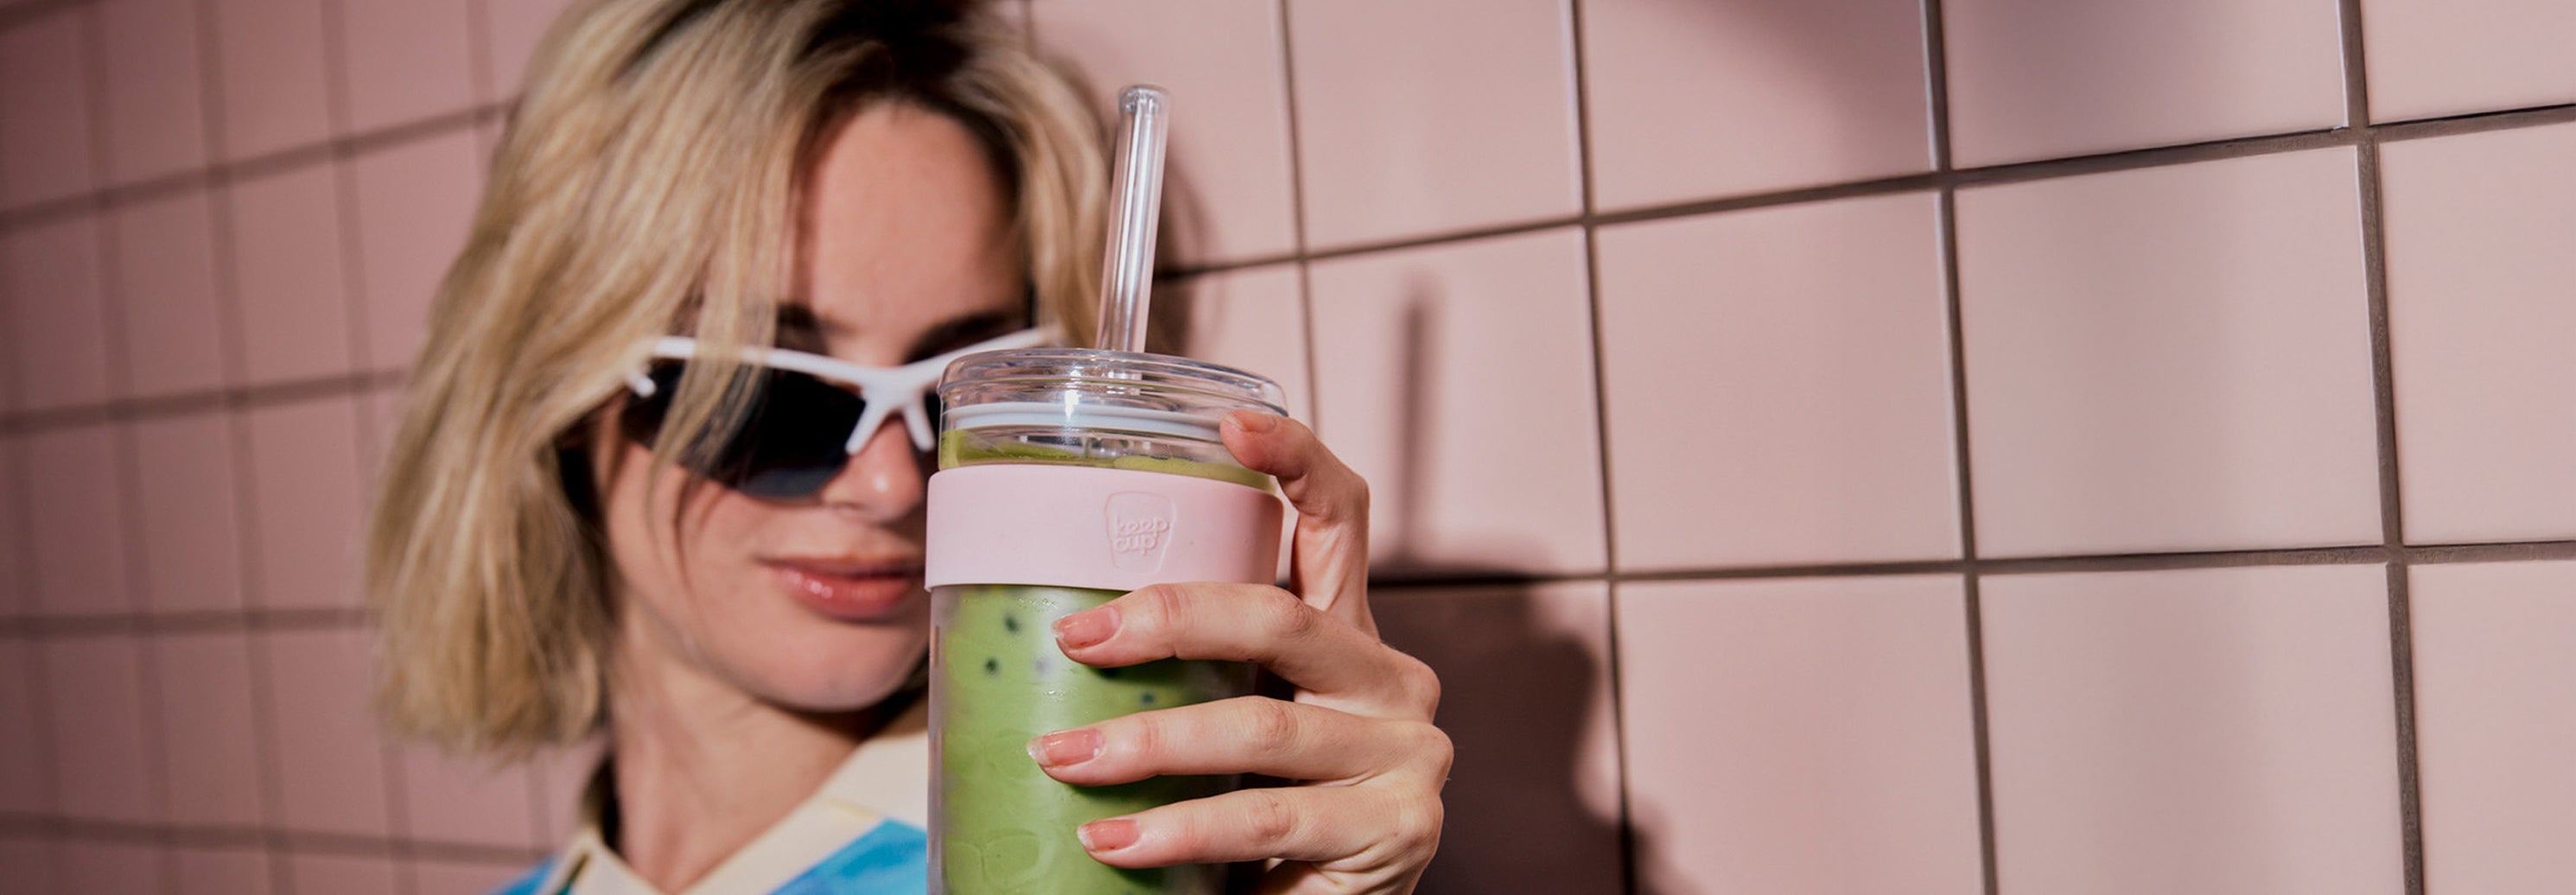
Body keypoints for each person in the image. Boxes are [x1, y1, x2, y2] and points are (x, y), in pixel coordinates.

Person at [365, 1, 1452, 892]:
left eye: (959, 400)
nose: (892, 485)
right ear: (558, 388)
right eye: (766, 391)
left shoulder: (1104, 864)